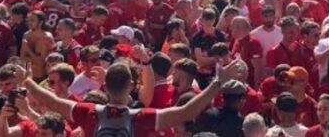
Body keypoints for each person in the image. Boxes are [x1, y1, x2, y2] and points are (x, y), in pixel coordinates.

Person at [21, 46, 246, 137]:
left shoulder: (87, 112)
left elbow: (51, 100)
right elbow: (187, 112)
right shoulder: (141, 117)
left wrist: (28, 80)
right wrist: (217, 82)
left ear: (104, 86)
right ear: (131, 86)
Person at [230, 16, 264, 87]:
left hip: (248, 85)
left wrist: (257, 88)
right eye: (232, 27)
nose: (232, 29)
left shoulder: (253, 43)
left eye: (235, 27)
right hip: (236, 84)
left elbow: (258, 69)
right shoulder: (236, 41)